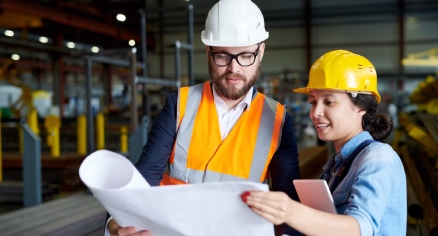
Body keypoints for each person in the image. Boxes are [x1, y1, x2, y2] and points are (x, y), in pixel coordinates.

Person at [107, 0, 301, 235]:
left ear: (261, 51)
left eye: (246, 56)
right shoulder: (179, 105)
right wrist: (115, 221)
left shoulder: (278, 121)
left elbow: (289, 205)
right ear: (208, 51)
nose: (233, 69)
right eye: (222, 56)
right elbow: (144, 177)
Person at [242, 50, 407, 236]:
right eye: (313, 102)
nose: (315, 112)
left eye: (329, 102)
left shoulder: (378, 158)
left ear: (361, 106)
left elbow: (359, 228)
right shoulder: (338, 164)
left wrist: (290, 211)